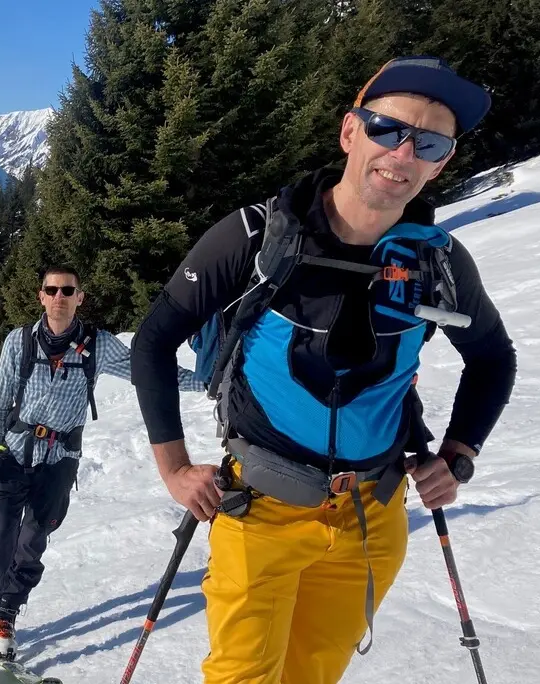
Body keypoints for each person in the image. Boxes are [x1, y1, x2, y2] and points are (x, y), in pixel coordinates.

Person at [130, 55, 517, 684]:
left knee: (313, 675)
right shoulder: (257, 238)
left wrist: (460, 453)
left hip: (373, 518)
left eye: (430, 142)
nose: (404, 152)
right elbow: (154, 340)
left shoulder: (438, 264)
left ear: (442, 161)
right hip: (259, 508)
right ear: (350, 132)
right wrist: (173, 467)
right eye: (388, 129)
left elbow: (494, 357)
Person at [0, 265, 135, 682]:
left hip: (60, 462)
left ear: (79, 297)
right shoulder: (19, 342)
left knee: (32, 544)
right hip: (14, 456)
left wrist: (212, 382)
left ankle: (6, 614)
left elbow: (147, 375)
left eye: (67, 290)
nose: (59, 296)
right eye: (51, 289)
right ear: (41, 296)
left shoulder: (99, 347)